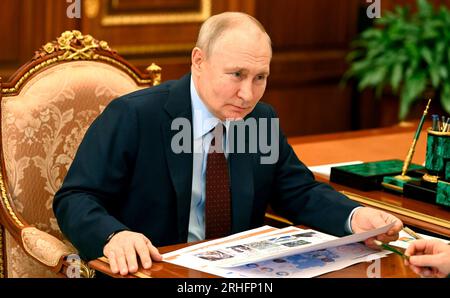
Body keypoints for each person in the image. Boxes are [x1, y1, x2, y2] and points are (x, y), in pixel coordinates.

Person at [53, 12, 403, 276]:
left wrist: (354, 216)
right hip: (156, 270)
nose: (247, 94)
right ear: (199, 61)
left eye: (260, 78)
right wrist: (114, 236)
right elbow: (76, 198)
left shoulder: (260, 119)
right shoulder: (135, 115)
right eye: (236, 75)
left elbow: (298, 191)